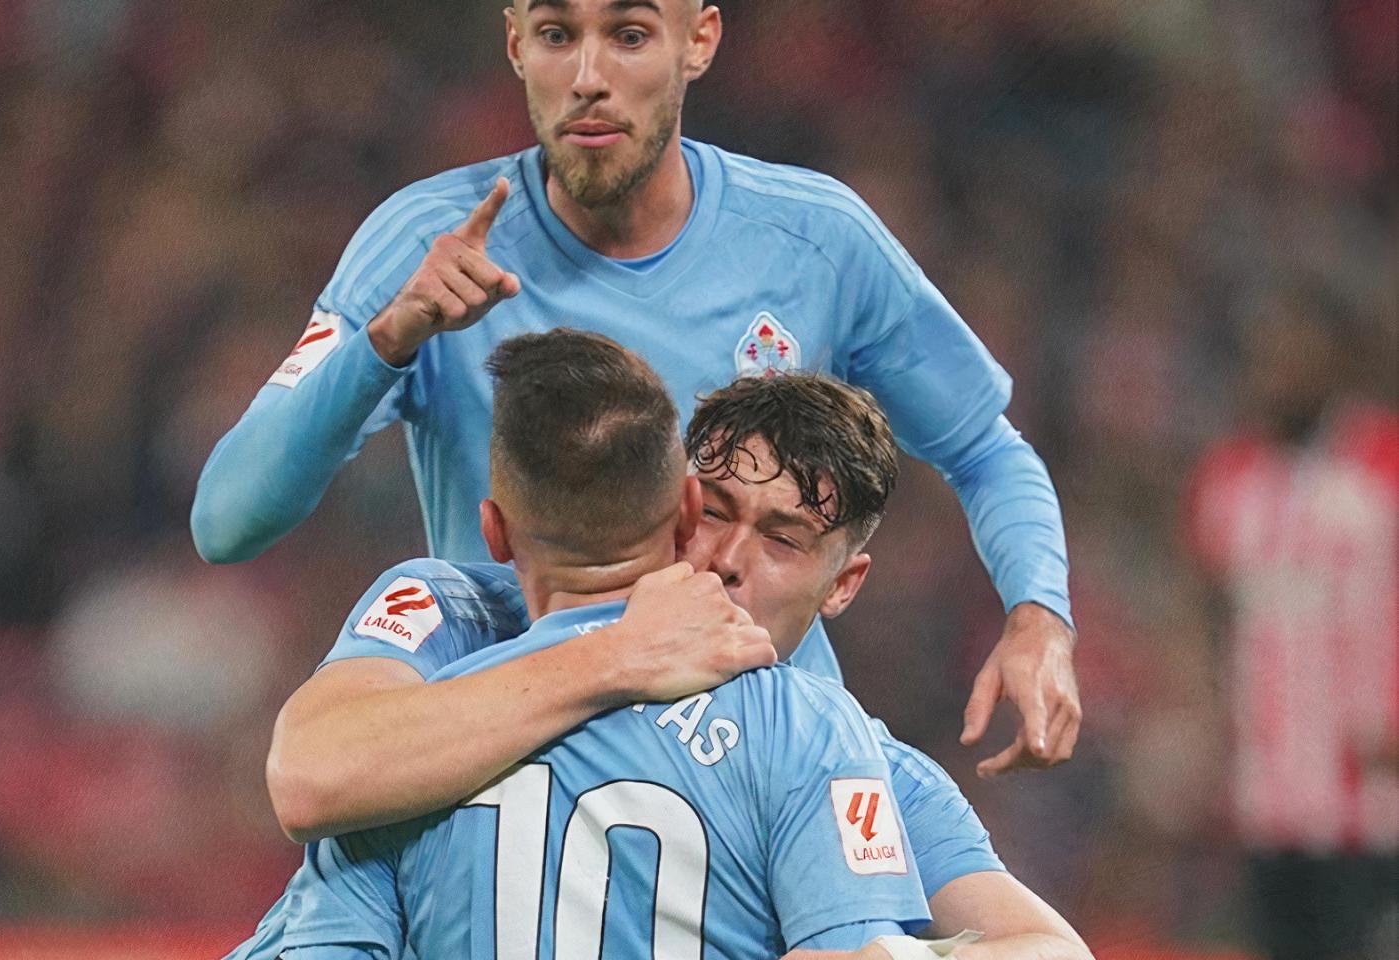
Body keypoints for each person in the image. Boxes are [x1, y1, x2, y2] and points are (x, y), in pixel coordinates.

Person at [192, 0, 1079, 772]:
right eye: (554, 33)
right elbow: (228, 520)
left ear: (698, 41)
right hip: (515, 775)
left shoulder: (817, 241)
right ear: (513, 46)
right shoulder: (427, 245)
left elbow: (985, 449)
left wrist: (1039, 615)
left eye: (627, 34)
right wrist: (386, 341)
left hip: (760, 780)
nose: (587, 76)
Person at [229, 354, 1091, 959]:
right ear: (677, 505)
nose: (727, 558)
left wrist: (897, 958)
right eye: (716, 511)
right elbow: (307, 776)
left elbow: (1052, 949)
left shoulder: (844, 754)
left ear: (843, 585)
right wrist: (618, 655)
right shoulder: (465, 612)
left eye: (784, 540)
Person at [1185, 280, 1398, 960]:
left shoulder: (1384, 462)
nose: (1277, 373)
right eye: (1267, 358)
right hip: (1268, 792)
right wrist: (1209, 713)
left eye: (1295, 356)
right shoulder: (1230, 477)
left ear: (1335, 362)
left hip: (1373, 797)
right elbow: (1203, 608)